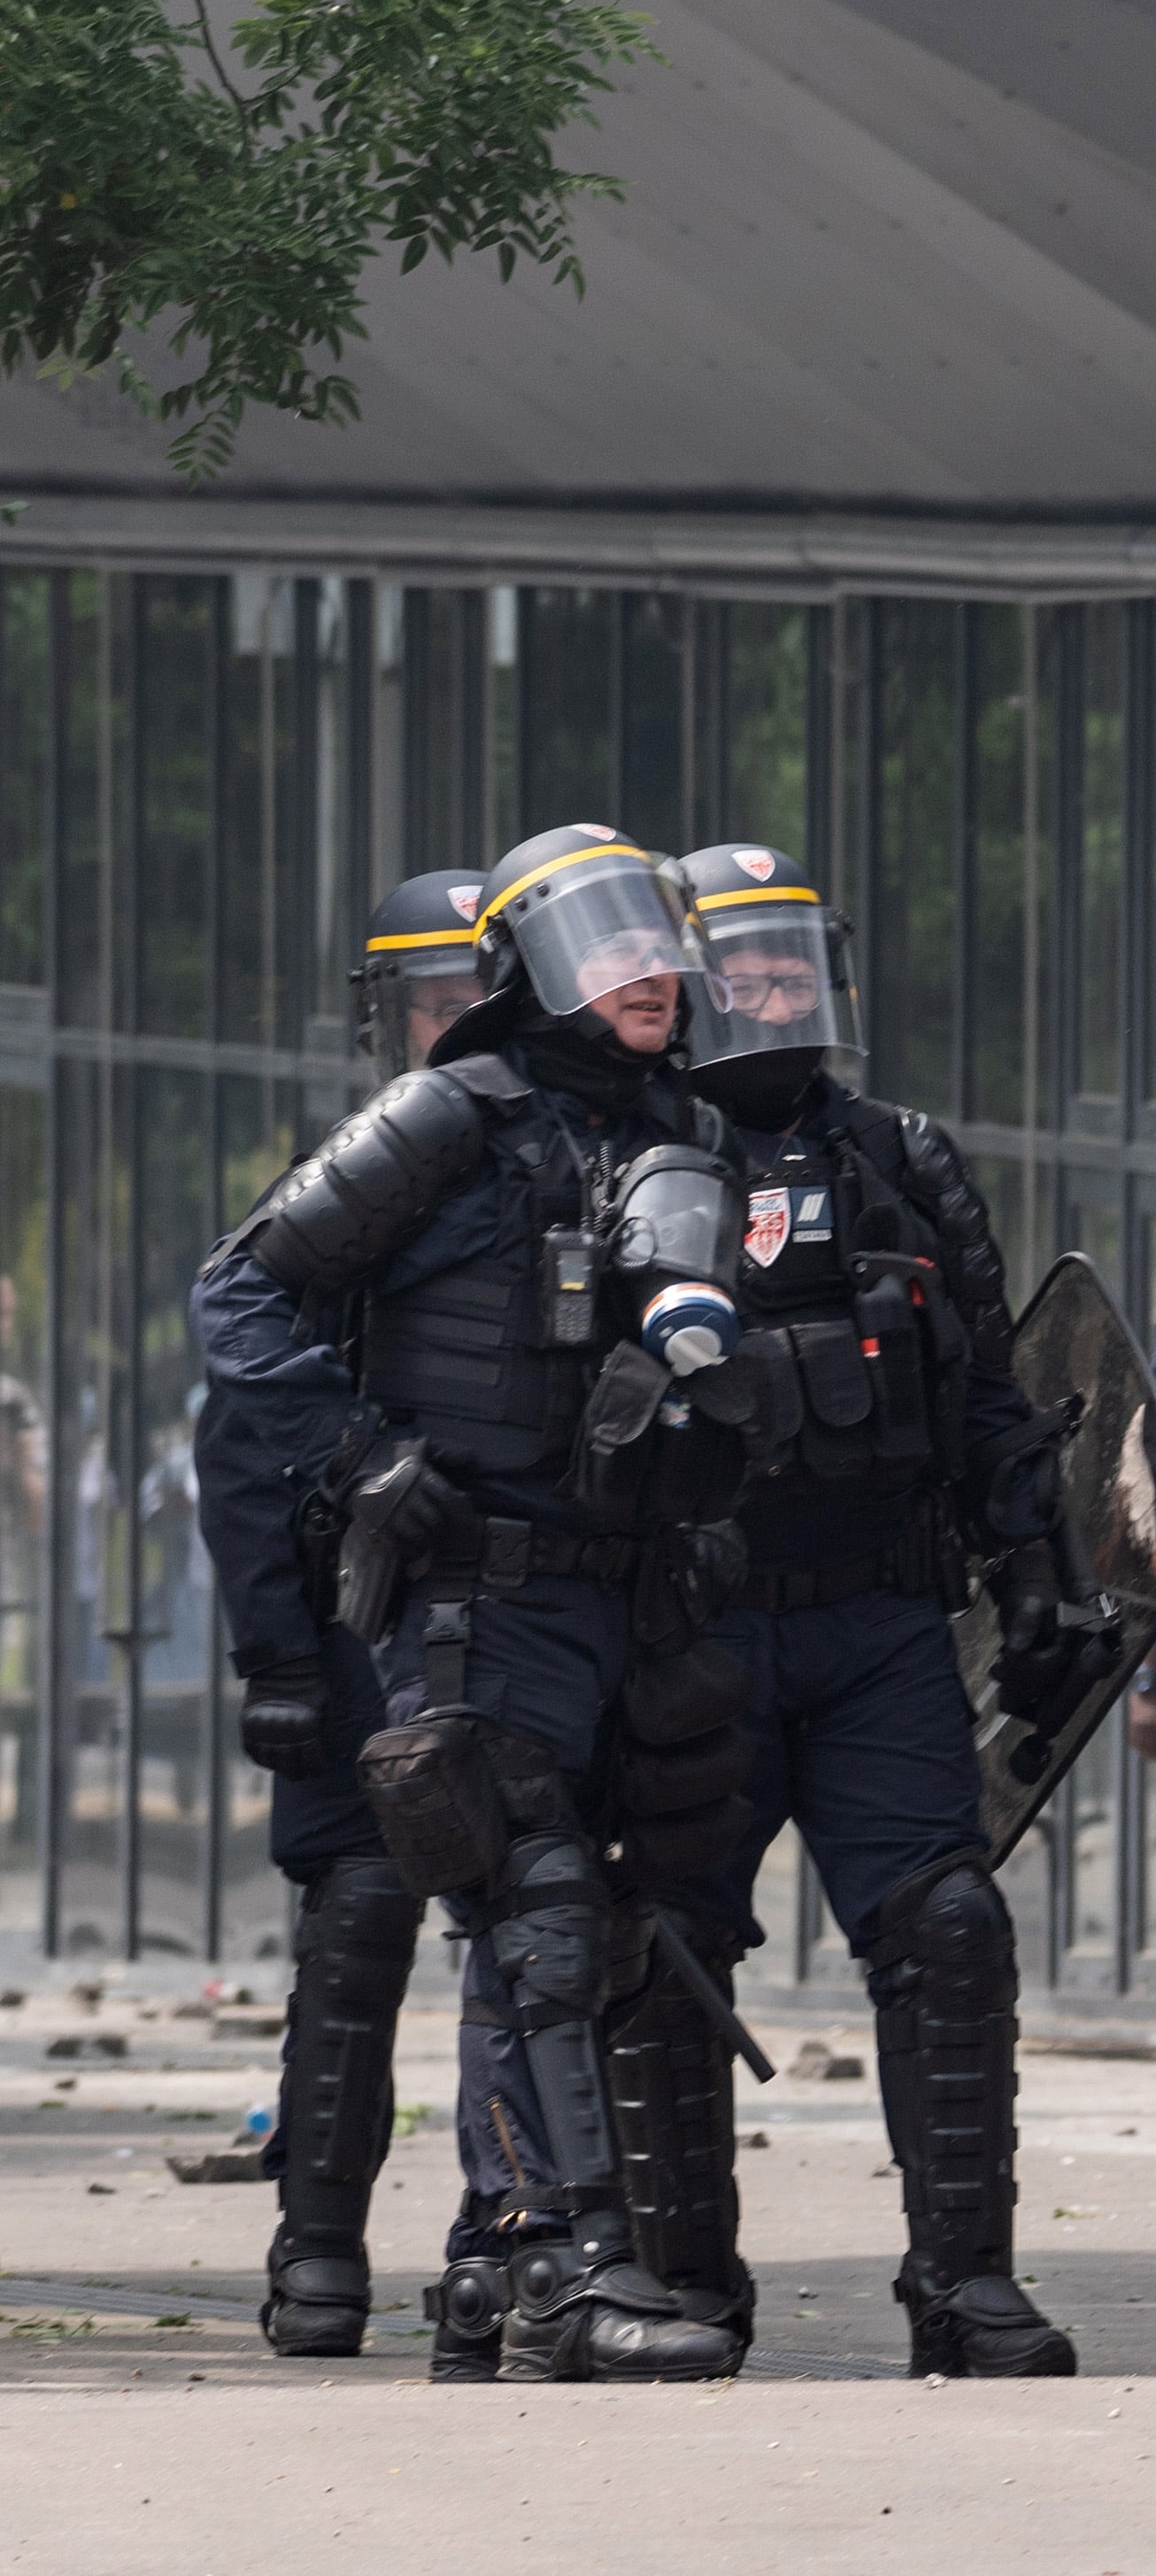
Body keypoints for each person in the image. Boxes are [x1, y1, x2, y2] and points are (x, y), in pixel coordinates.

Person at [194, 822, 765, 2382]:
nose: (645, 967)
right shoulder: (450, 1112)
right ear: (528, 969)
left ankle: (497, 2263)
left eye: (656, 935)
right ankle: (571, 2266)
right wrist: (360, 1452)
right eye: (602, 940)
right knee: (539, 1915)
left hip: (612, 1600)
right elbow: (238, 1290)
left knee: (567, 1930)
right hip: (465, 1594)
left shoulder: (675, 1127)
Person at [651, 843, 1083, 2377]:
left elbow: (988, 1386)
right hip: (691, 1633)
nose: (771, 993)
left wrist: (1035, 1568)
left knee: (952, 1928)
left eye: (790, 965)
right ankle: (679, 2285)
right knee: (666, 1949)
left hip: (880, 1625)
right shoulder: (626, 1155)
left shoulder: (907, 1155)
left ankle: (964, 2285)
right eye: (740, 968)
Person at [187, 870, 486, 2358]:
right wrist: (276, 1651)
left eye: (479, 995)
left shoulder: (584, 1157)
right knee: (360, 1930)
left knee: (547, 1939)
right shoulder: (349, 1187)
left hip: (523, 1618)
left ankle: (522, 2237)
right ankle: (318, 2247)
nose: (457, 1026)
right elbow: (243, 1437)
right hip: (357, 1628)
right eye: (432, 1001)